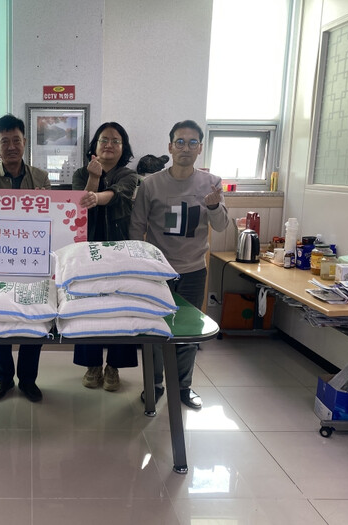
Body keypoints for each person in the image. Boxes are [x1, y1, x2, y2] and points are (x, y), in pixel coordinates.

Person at [129, 119, 228, 410]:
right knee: (154, 330)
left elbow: (222, 225)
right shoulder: (150, 184)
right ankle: (155, 385)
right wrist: (140, 266)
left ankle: (183, 387)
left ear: (200, 148)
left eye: (192, 142)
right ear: (170, 147)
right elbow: (137, 227)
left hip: (194, 270)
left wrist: (213, 205)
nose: (186, 148)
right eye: (180, 142)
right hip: (158, 273)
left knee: (189, 332)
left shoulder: (212, 183)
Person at [0, 114, 52, 403]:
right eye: (4, 141)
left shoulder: (40, 177)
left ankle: (28, 380)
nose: (11, 146)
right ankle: (4, 378)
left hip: (32, 260)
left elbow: (51, 219)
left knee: (35, 318)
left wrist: (47, 202)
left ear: (24, 142)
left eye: (16, 140)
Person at [72, 122, 139, 391]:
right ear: (95, 145)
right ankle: (92, 364)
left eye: (115, 140)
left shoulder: (129, 175)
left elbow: (117, 195)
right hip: (86, 251)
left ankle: (114, 366)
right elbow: (80, 206)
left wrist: (97, 195)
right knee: (87, 305)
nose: (109, 144)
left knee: (120, 306)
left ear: (123, 148)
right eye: (104, 140)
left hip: (119, 250)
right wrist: (93, 178)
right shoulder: (80, 173)